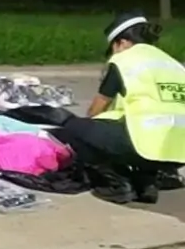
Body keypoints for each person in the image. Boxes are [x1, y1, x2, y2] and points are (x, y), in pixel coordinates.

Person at [62, 11, 185, 203]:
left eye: (113, 48)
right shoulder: (173, 64)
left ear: (122, 42)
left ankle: (117, 184)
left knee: (76, 128)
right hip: (178, 153)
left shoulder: (124, 60)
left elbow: (96, 110)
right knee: (142, 131)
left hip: (146, 144)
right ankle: (147, 183)